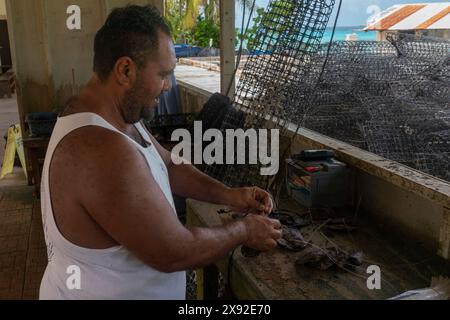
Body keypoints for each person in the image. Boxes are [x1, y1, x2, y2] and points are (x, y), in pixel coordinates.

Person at [39, 5, 281, 300]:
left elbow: (169, 164)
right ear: (125, 70)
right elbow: (174, 251)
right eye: (163, 74)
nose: (167, 86)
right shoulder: (100, 147)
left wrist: (230, 195)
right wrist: (244, 231)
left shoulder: (117, 118)